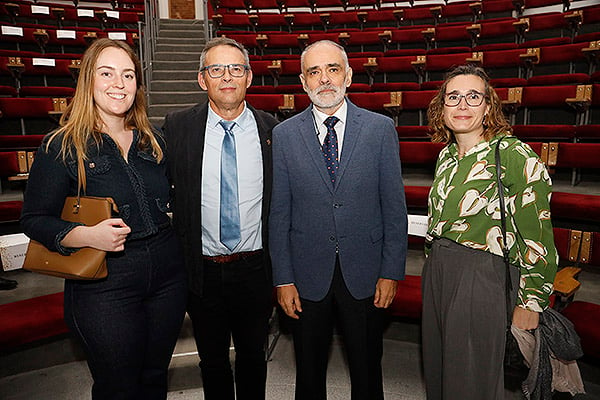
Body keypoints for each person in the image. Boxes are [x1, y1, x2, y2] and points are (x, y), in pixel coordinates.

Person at [21, 38, 187, 400]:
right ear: (88, 82)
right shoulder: (61, 146)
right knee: (118, 387)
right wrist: (85, 235)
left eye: (128, 75)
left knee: (155, 377)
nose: (119, 83)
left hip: (167, 277)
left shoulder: (152, 140)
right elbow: (34, 219)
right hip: (105, 285)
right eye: (107, 73)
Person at [269, 40, 408, 400]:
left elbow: (394, 208)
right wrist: (283, 278)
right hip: (306, 276)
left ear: (347, 75)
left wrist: (391, 271)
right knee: (309, 375)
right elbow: (279, 213)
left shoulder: (379, 130)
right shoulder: (284, 136)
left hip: (365, 272)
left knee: (366, 371)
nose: (324, 79)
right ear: (303, 82)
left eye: (332, 69)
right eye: (314, 72)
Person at [422, 64, 558, 400]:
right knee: (440, 371)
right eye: (453, 97)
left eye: (473, 96)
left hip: (481, 275)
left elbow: (537, 236)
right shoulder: (446, 157)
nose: (463, 105)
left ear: (488, 106)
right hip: (439, 269)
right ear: (442, 108)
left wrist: (531, 301)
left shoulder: (512, 154)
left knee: (471, 380)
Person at [162, 37, 279, 400]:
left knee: (253, 358)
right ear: (203, 79)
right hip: (202, 270)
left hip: (255, 269)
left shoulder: (273, 129)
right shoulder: (177, 127)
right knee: (211, 361)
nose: (226, 77)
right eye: (216, 69)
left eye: (236, 69)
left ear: (249, 77)